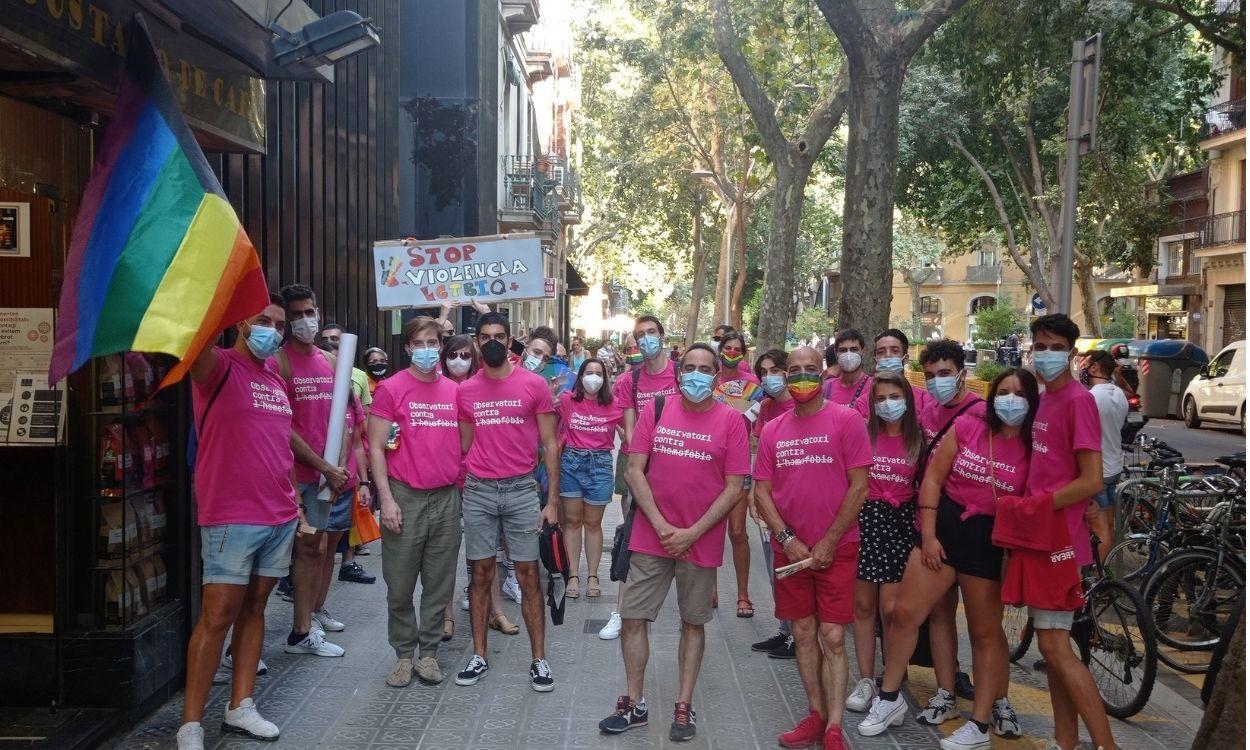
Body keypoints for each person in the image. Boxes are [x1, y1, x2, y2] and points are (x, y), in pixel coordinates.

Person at [858, 369, 1037, 747]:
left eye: (1019, 394)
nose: (1009, 400)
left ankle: (980, 724)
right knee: (904, 614)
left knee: (984, 633)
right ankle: (889, 698)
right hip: (943, 530)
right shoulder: (970, 427)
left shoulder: (1034, 445)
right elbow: (934, 478)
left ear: (1032, 401)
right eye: (1003, 392)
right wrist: (928, 534)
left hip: (990, 542)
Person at [597, 343, 750, 742]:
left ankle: (684, 705)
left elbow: (735, 487)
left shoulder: (731, 422)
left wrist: (692, 532)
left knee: (693, 622)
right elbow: (634, 471)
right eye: (690, 368)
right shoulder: (657, 409)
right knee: (632, 618)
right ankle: (634, 702)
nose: (697, 375)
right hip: (651, 535)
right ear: (679, 372)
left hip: (700, 540)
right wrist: (663, 526)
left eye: (705, 369)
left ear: (716, 377)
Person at [177, 295, 296, 749]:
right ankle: (190, 723)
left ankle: (240, 705)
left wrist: (296, 504)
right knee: (217, 614)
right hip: (231, 514)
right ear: (241, 322)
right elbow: (194, 342)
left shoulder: (274, 376)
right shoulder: (219, 367)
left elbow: (279, 442)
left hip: (279, 512)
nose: (273, 329)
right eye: (262, 319)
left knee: (255, 608)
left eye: (278, 323)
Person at [752, 346, 872, 750]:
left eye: (810, 370)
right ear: (785, 377)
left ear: (824, 374)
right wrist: (789, 540)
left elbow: (859, 486)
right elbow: (763, 492)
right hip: (791, 553)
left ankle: (836, 727)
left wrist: (827, 543)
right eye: (795, 371)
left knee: (833, 635)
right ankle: (816, 715)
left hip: (837, 549)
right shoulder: (772, 430)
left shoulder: (847, 419)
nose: (802, 378)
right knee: (803, 632)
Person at [1022, 314, 1115, 750]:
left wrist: (1036, 506)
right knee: (1052, 650)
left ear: (1072, 353)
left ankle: (1106, 745)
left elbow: (1092, 480)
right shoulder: (1042, 399)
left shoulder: (1078, 401)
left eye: (1055, 345)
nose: (1046, 353)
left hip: (1061, 542)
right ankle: (1066, 742)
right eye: (1039, 345)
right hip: (1039, 538)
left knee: (1056, 647)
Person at [455, 312, 561, 692]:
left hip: (520, 490)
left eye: (500, 335)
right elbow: (463, 445)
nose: (493, 342)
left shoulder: (533, 384)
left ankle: (539, 659)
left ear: (511, 339)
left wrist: (551, 501)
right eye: (485, 337)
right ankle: (479, 654)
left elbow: (550, 444)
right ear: (476, 342)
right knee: (480, 575)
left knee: (529, 575)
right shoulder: (465, 390)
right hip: (479, 491)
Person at [368, 317, 462, 687]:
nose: (427, 349)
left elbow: (466, 441)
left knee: (440, 583)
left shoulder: (455, 392)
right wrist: (386, 499)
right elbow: (376, 446)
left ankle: (429, 654)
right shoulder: (391, 389)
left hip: (445, 497)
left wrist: (457, 477)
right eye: (419, 343)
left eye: (433, 342)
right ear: (408, 348)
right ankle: (404, 655)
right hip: (404, 495)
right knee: (400, 584)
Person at [276, 284, 354, 659]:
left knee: (314, 549)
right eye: (297, 315)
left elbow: (343, 419)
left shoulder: (331, 361)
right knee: (273, 559)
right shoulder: (279, 363)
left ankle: (302, 629)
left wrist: (336, 470)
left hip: (323, 481)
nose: (306, 320)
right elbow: (281, 426)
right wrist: (324, 467)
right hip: (289, 481)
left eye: (310, 312)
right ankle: (239, 647)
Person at [915, 339, 988, 709]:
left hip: (974, 528)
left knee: (982, 623)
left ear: (962, 372)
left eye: (944, 374)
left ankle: (995, 697)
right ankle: (945, 690)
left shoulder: (982, 413)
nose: (936, 382)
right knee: (940, 611)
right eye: (929, 376)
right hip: (934, 522)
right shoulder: (927, 412)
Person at [846, 372, 922, 714]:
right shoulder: (863, 435)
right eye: (880, 399)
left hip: (900, 526)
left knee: (891, 610)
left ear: (906, 398)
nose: (887, 404)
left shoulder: (920, 440)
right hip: (864, 521)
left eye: (894, 396)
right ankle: (865, 679)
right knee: (862, 607)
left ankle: (891, 681)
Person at [600, 316, 680, 640]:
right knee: (632, 537)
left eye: (651, 333)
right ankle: (620, 612)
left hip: (678, 464)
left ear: (662, 335)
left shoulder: (681, 375)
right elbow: (630, 434)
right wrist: (642, 467)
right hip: (639, 466)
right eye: (640, 335)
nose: (646, 339)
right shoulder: (628, 382)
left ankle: (687, 612)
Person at [440, 335, 519, 637]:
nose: (458, 360)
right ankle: (446, 614)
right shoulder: (438, 388)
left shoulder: (480, 387)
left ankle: (494, 611)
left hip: (478, 479)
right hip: (446, 479)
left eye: (465, 355)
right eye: (452, 354)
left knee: (486, 555)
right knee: (445, 551)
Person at [557, 358, 625, 600]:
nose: (593, 378)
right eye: (588, 372)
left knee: (593, 524)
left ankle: (593, 575)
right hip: (571, 464)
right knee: (573, 522)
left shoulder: (615, 404)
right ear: (580, 376)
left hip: (600, 466)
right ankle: (573, 574)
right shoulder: (567, 400)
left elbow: (630, 433)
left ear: (605, 378)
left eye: (598, 373)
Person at [750, 349, 797, 658]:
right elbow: (757, 453)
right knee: (773, 568)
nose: (770, 377)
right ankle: (785, 630)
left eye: (775, 370)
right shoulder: (764, 407)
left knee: (791, 570)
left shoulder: (798, 407)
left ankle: (798, 635)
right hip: (768, 498)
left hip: (792, 498)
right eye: (763, 372)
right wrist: (755, 495)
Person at [712, 330, 758, 618]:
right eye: (727, 347)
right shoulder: (709, 379)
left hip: (738, 465)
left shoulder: (752, 383)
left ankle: (743, 594)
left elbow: (749, 420)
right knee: (710, 530)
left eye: (736, 348)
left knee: (738, 531)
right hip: (709, 464)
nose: (731, 352)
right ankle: (709, 588)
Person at [1083, 349, 1128, 563]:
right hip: (1114, 466)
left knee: (1100, 529)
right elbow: (1128, 391)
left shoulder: (1091, 397)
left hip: (1097, 470)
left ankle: (1100, 578)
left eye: (1085, 363)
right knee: (1108, 525)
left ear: (1094, 367)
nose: (1081, 367)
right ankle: (1108, 573)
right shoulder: (1117, 393)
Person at [852, 329, 931, 417]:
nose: (888, 355)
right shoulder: (862, 404)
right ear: (875, 360)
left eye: (895, 351)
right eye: (881, 352)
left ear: (905, 359)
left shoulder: (924, 401)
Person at [319, 322, 372, 408]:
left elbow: (365, 413)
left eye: (334, 338)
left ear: (345, 341)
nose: (329, 342)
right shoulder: (314, 372)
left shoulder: (360, 375)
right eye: (325, 339)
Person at [823, 330, 871, 406]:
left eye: (854, 349)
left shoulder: (873, 387)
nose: (848, 355)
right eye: (843, 350)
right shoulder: (826, 388)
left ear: (863, 351)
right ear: (836, 353)